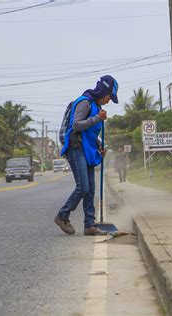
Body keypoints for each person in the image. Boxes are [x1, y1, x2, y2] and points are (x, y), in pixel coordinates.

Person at [55, 75, 119, 236]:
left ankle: (89, 225)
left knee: (90, 189)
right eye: (109, 97)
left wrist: (99, 146)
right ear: (104, 91)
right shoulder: (85, 103)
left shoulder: (96, 107)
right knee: (83, 187)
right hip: (75, 148)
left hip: (87, 149)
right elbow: (76, 125)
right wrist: (98, 118)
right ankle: (62, 216)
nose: (108, 101)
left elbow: (89, 133)